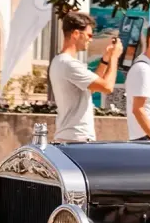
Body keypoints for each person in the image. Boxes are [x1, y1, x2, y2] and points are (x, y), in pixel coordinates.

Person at [49, 11, 119, 143]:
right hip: (76, 137)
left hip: (70, 136)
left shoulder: (60, 61)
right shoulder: (69, 64)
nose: (90, 39)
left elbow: (92, 87)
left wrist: (105, 60)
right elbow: (107, 87)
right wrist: (114, 58)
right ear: (76, 34)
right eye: (89, 35)